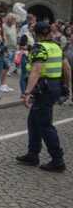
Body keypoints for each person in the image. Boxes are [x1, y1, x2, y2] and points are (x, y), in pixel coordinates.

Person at [16, 22, 71, 172]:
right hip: (53, 86)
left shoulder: (39, 47)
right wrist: (65, 86)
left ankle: (57, 160)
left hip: (44, 88)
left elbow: (36, 70)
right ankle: (33, 154)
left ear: (37, 34)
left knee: (45, 124)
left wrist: (27, 92)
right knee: (33, 120)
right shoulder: (57, 46)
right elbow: (66, 68)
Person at [0, 13, 18, 92]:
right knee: (5, 67)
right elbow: (4, 37)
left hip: (13, 48)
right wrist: (5, 48)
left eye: (14, 20)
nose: (14, 21)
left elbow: (14, 36)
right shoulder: (4, 26)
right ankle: (1, 84)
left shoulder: (14, 26)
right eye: (13, 19)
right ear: (8, 19)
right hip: (7, 49)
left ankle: (4, 84)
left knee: (8, 67)